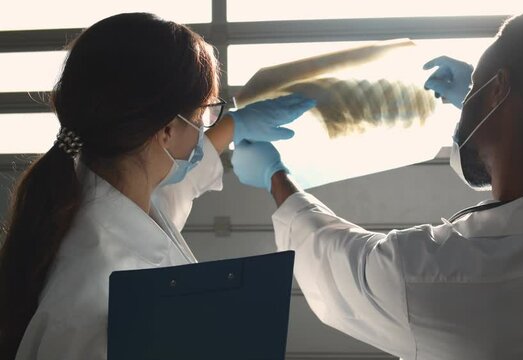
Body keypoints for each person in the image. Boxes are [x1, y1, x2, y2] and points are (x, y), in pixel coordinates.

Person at [231, 12, 523, 360]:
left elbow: (332, 256)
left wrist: (275, 177)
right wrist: (475, 100)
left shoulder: (438, 277)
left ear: (499, 89)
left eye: (479, 82)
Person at [0, 13, 315, 360]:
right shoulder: (94, 308)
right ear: (166, 130)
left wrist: (233, 127)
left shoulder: (97, 196)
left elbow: (170, 192)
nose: (203, 129)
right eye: (202, 115)